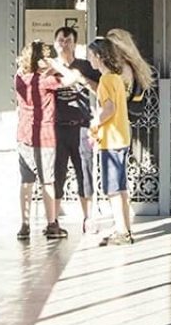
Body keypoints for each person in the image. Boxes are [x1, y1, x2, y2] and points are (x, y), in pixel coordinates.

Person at [88, 35, 152, 247]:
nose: (90, 61)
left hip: (111, 139)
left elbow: (109, 109)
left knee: (113, 189)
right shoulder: (117, 78)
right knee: (122, 188)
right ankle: (124, 228)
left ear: (99, 57)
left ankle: (122, 232)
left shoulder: (106, 81)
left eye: (91, 56)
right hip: (122, 137)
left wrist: (95, 124)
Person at [46, 26, 99, 237]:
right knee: (57, 174)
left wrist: (83, 80)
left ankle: (88, 218)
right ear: (54, 43)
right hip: (57, 127)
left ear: (74, 44)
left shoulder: (84, 66)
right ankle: (54, 220)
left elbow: (99, 87)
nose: (63, 43)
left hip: (81, 126)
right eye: (60, 40)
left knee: (84, 172)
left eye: (68, 40)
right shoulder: (49, 67)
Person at [14, 41, 60, 241]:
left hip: (24, 134)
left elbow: (20, 70)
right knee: (47, 181)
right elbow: (69, 80)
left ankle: (25, 225)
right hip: (45, 135)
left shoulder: (20, 78)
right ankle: (51, 223)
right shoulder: (46, 81)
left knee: (26, 181)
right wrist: (55, 65)